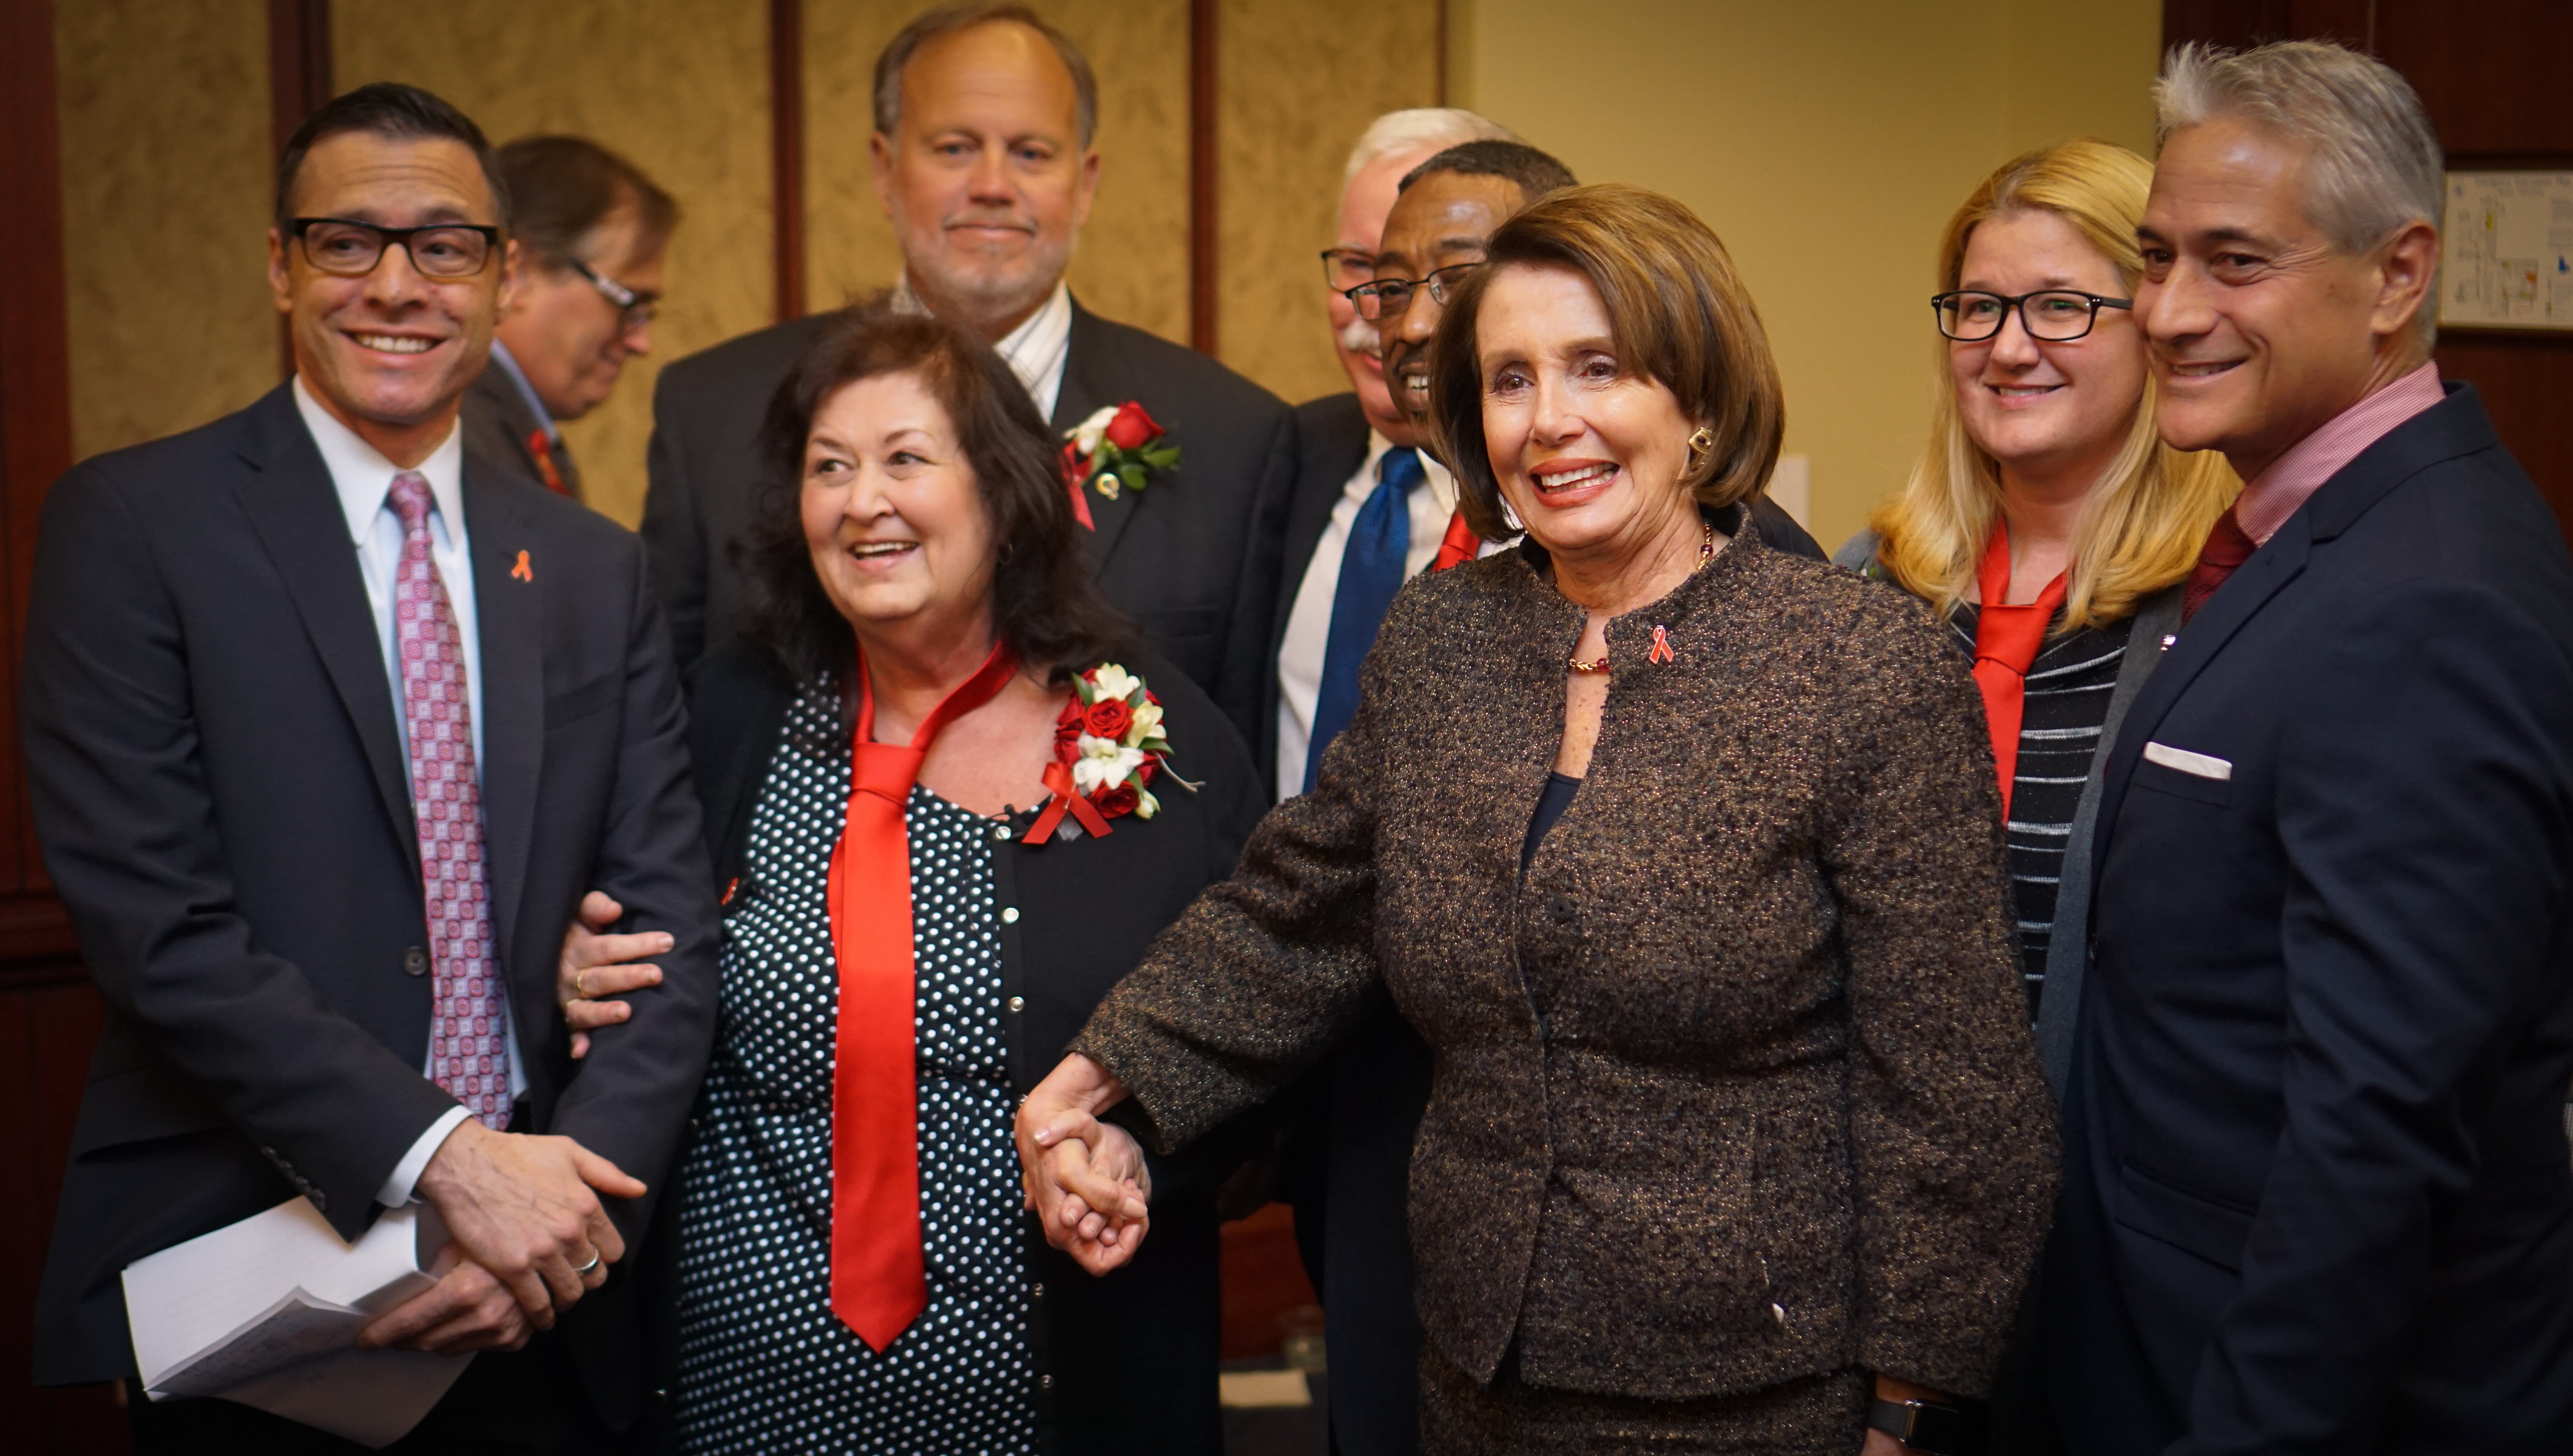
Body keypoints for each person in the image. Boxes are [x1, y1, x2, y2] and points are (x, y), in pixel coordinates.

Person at [1019, 184, 2058, 1454]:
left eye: (1597, 369)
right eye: (1508, 381)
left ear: (1701, 403)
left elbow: (1952, 1082)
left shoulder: (1857, 663)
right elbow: (1304, 909)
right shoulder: (1443, 637)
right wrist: (1094, 1075)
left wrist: (1909, 1402)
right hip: (1472, 1363)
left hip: (1760, 1388)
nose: (1548, 421)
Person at [23, 83, 719, 1452]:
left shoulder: (590, 564)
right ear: (280, 265)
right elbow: (158, 930)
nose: (396, 286)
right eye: (348, 243)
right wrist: (450, 1164)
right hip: (256, 1266)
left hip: (555, 1285)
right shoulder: (135, 526)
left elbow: (664, 922)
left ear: (502, 274)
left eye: (445, 246)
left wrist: (561, 1214)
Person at [2036, 41, 2573, 1454]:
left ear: (2395, 278)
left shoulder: (2428, 597)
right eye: (2151, 258)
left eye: (2231, 262)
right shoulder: (2300, 532)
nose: (2162, 310)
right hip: (2150, 1329)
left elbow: (2374, 1132)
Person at [612, 300, 1265, 1453]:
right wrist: (579, 960)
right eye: (830, 467)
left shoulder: (1150, 735)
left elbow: (1260, 1026)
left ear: (1006, 498)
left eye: (907, 459)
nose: (865, 500)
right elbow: (632, 951)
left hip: (1042, 1394)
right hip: (737, 1386)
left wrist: (1141, 1144)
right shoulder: (728, 717)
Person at [641, 1, 1295, 756]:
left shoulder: (1234, 435)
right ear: (885, 171)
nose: (992, 184)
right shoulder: (712, 411)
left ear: (1083, 184)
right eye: (954, 148)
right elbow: (663, 743)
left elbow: (1241, 768)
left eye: (1030, 153)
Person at [1836, 138, 2233, 1084]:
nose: (2010, 348)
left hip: (2121, 1186)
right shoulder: (1869, 589)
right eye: (1980, 309)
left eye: (2063, 306)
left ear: (2159, 324)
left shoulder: (2222, 610)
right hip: (1891, 1179)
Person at [465, 135, 677, 503]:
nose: (641, 343)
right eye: (627, 302)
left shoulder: (514, 432)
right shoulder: (458, 436)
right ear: (518, 274)